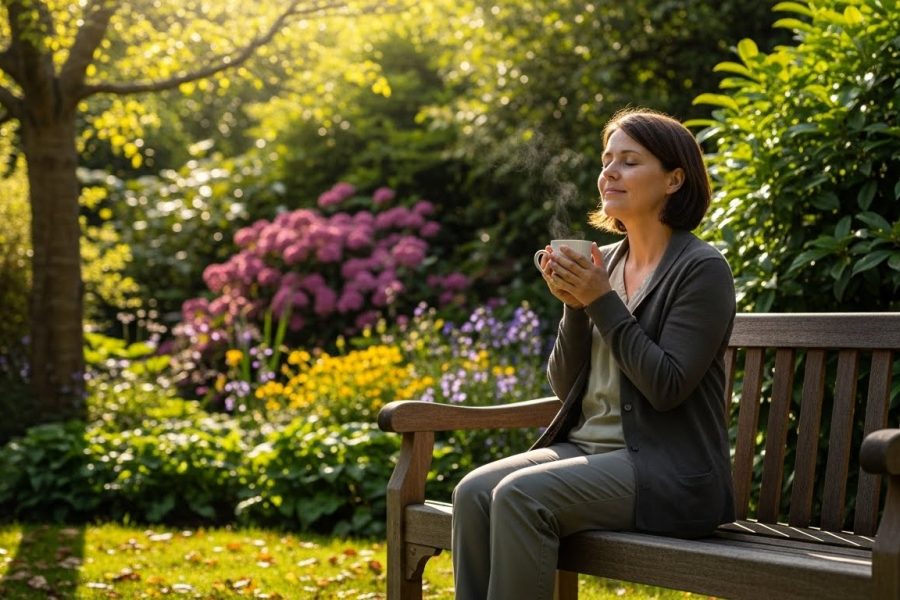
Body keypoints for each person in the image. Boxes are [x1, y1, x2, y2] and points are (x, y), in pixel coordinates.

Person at [451, 108, 736, 600]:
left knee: (520, 497)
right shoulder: (610, 261)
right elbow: (566, 389)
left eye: (629, 161)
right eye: (607, 160)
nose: (610, 172)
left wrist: (600, 300)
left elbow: (666, 388)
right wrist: (575, 307)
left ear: (673, 179)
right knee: (472, 491)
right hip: (587, 451)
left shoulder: (701, 270)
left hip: (667, 471)